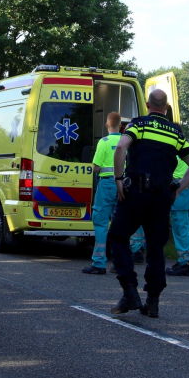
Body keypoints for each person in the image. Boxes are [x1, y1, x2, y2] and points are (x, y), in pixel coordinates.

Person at [107, 90, 189, 318]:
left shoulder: (139, 125)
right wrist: (178, 188)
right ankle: (152, 301)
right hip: (161, 197)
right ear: (167, 107)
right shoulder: (175, 133)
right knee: (156, 248)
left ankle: (130, 291)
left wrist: (119, 180)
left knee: (118, 237)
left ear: (148, 105)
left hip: (135, 193)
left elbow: (121, 147)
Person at [83, 112, 122, 275]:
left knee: (100, 222)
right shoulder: (126, 141)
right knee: (119, 224)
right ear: (120, 125)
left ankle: (99, 263)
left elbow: (96, 167)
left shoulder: (104, 142)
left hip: (106, 185)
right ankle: (119, 263)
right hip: (123, 185)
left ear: (107, 125)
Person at [166, 144, 189, 277]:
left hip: (178, 194)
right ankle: (183, 260)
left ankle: (184, 263)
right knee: (186, 228)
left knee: (180, 229)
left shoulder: (172, 151)